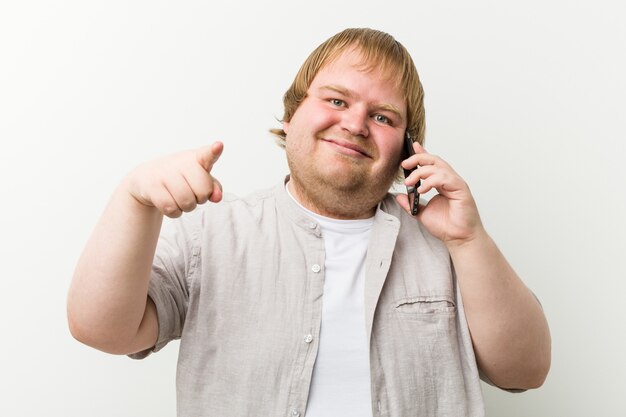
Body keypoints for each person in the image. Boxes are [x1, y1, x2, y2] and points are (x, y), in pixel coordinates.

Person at [67, 28, 551, 417]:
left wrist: (468, 239)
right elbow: (101, 328)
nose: (356, 124)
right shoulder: (211, 234)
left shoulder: (448, 248)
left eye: (383, 117)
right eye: (337, 101)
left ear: (408, 149)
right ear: (293, 112)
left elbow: (525, 370)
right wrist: (134, 200)